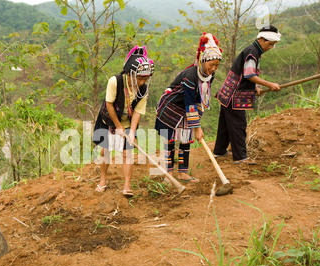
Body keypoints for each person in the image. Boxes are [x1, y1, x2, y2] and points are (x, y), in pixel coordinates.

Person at [155, 33, 222, 183]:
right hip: (171, 107)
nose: (214, 68)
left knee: (186, 139)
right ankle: (169, 173)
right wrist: (197, 127)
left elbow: (201, 98)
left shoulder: (210, 75)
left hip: (187, 108)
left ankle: (183, 173)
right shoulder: (191, 75)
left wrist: (197, 121)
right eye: (212, 65)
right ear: (203, 60)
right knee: (170, 140)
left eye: (217, 65)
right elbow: (190, 101)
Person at [213, 25, 282, 164]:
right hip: (235, 94)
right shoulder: (252, 52)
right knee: (238, 125)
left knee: (226, 124)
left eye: (273, 45)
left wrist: (255, 86)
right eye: (270, 44)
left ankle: (219, 151)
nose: (270, 47)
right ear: (261, 39)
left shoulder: (254, 51)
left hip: (228, 92)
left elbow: (247, 74)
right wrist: (270, 84)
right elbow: (249, 74)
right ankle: (240, 157)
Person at [92, 46, 154, 197]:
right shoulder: (115, 81)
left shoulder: (143, 90)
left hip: (128, 122)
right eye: (140, 78)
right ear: (130, 74)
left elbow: (138, 111)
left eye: (145, 79)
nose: (142, 82)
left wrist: (131, 132)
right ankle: (103, 179)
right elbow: (109, 104)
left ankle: (127, 185)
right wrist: (118, 126)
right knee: (104, 150)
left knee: (128, 153)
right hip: (109, 120)